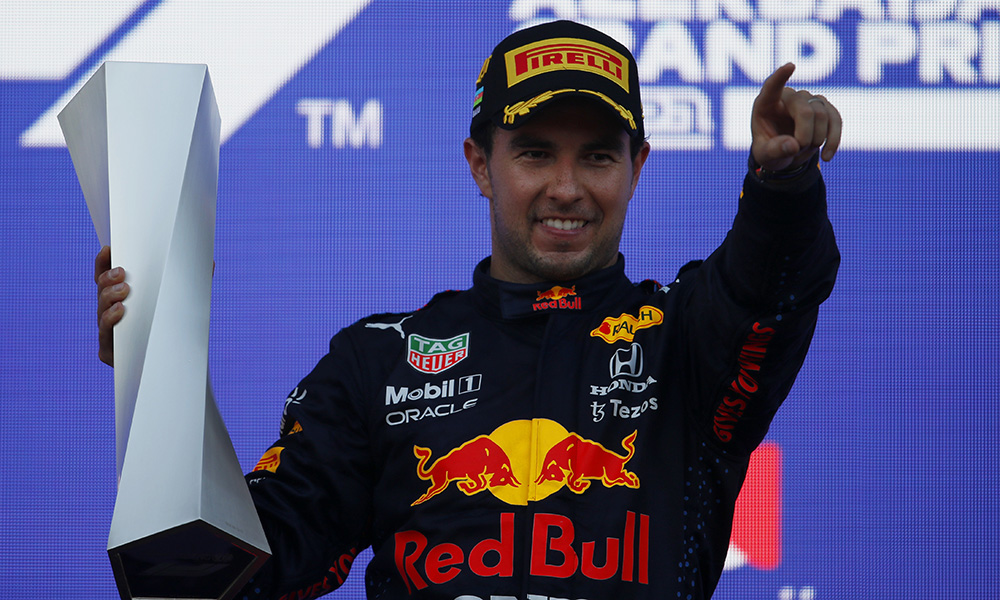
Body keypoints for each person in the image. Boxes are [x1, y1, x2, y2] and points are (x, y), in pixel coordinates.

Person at [96, 20, 840, 600]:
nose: (567, 187)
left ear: (636, 167)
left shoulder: (685, 339)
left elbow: (769, 287)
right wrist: (158, 371)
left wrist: (783, 185)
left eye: (598, 156)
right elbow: (224, 571)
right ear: (481, 164)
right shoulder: (379, 360)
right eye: (535, 153)